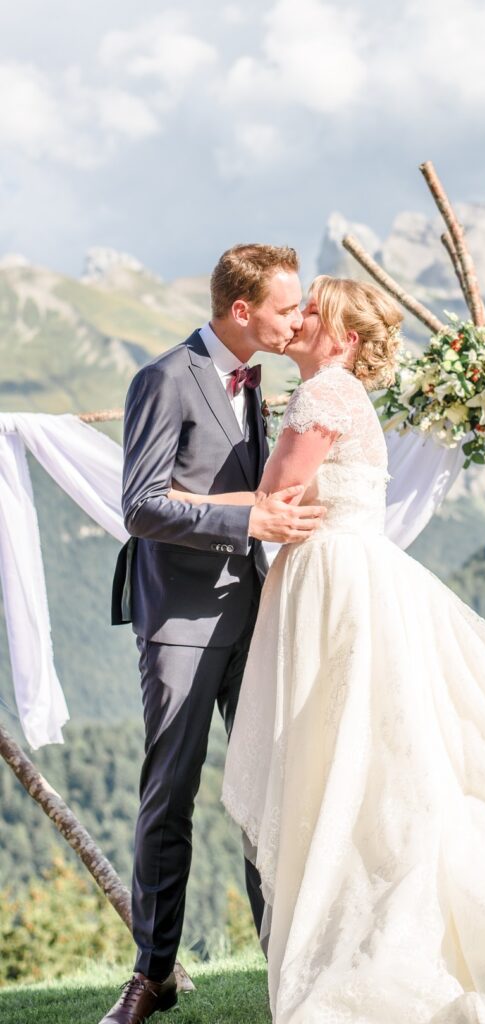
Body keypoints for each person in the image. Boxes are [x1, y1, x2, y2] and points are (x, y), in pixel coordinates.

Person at [182, 277, 485, 1022]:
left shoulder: (323, 394)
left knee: (350, 755)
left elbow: (275, 501)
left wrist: (172, 502)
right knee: (366, 753)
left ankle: (376, 925)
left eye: (314, 312)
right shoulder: (337, 393)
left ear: (345, 337)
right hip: (341, 577)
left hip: (332, 582)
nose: (302, 319)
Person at [100, 244, 325, 1024]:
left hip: (255, 613)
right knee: (172, 794)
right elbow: (141, 506)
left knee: (267, 789)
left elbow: (252, 489)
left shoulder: (257, 382)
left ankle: (285, 964)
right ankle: (152, 973)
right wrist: (247, 517)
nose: (296, 319)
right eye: (285, 307)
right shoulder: (162, 378)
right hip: (183, 625)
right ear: (241, 311)